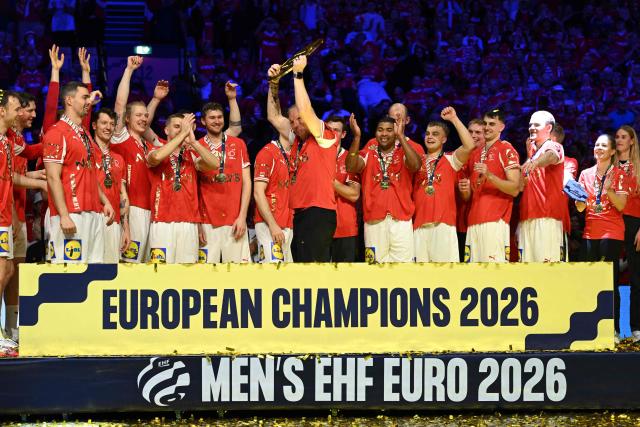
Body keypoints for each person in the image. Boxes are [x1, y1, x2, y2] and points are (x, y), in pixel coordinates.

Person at [266, 56, 340, 262]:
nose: (296, 124)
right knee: (302, 267)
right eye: (293, 121)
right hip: (301, 213)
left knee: (314, 269)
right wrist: (273, 83)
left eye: (299, 119)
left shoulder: (323, 135)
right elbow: (273, 117)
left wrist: (298, 75)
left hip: (319, 211)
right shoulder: (298, 140)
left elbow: (306, 111)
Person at [43, 81, 114, 263]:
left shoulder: (85, 133)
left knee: (95, 271)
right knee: (68, 275)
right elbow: (52, 177)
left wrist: (105, 201)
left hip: (94, 212)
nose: (88, 102)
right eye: (84, 97)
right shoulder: (56, 132)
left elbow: (88, 172)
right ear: (68, 100)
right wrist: (64, 215)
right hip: (71, 213)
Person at [0, 89, 46, 354]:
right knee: (2, 271)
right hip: (2, 214)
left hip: (8, 215)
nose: (21, 113)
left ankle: (8, 330)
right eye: (18, 108)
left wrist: (41, 181)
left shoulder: (7, 142)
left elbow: (12, 178)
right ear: (3, 110)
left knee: (7, 271)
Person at [346, 114, 421, 263]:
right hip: (374, 221)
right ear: (375, 133)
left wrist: (401, 136)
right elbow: (351, 166)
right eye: (380, 130)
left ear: (395, 132)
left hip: (401, 221)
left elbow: (415, 165)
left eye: (389, 130)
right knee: (375, 268)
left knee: (404, 268)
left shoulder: (404, 153)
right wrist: (357, 137)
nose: (384, 134)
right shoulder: (368, 153)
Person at [577, 134, 630, 343]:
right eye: (596, 144)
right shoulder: (585, 174)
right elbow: (581, 207)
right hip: (590, 231)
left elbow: (622, 205)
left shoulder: (619, 174)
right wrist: (577, 197)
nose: (598, 148)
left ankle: (614, 329)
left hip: (612, 231)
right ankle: (589, 328)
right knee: (588, 280)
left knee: (610, 280)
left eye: (603, 145)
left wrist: (608, 189)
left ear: (612, 152)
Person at [147, 113, 218, 263]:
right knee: (160, 271)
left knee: (186, 272)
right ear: (166, 130)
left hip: (189, 223)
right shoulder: (154, 149)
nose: (181, 130)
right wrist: (184, 133)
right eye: (177, 126)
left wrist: (194, 142)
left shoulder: (191, 155)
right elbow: (156, 158)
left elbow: (215, 164)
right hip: (162, 222)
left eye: (184, 127)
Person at [413, 107, 475, 262]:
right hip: (418, 227)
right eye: (427, 134)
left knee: (445, 277)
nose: (430, 137)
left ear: (444, 139)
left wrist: (454, 119)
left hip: (443, 227)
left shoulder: (450, 160)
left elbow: (469, 145)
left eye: (435, 134)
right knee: (419, 279)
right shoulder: (416, 162)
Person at [111, 56, 155, 263]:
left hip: (152, 212)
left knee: (146, 266)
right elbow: (120, 105)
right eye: (138, 115)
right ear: (127, 119)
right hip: (133, 210)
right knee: (129, 265)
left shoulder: (149, 147)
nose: (143, 119)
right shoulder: (121, 138)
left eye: (145, 116)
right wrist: (129, 70)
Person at [462, 109, 520, 262]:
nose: (487, 127)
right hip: (473, 221)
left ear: (502, 127)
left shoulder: (506, 149)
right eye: (485, 123)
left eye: (492, 124)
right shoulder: (476, 153)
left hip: (494, 221)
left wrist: (490, 176)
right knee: (473, 276)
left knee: (494, 274)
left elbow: (515, 189)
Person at [197, 102, 251, 263]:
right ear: (203, 121)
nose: (217, 121)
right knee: (205, 275)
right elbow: (193, 188)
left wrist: (242, 216)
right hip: (207, 221)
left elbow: (246, 183)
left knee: (238, 274)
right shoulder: (197, 146)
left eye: (220, 117)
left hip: (234, 220)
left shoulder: (238, 144)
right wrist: (198, 224)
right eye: (212, 118)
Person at [519, 110, 567, 262]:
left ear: (548, 128)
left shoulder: (554, 146)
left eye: (537, 124)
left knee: (548, 269)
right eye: (530, 124)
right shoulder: (532, 151)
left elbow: (550, 156)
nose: (532, 127)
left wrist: (536, 162)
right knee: (527, 269)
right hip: (527, 217)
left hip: (547, 218)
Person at [91, 108, 130, 263]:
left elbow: (123, 196)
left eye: (112, 124)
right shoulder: (87, 151)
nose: (108, 127)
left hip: (113, 221)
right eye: (104, 123)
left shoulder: (119, 158)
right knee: (90, 267)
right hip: (92, 216)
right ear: (94, 125)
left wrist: (125, 227)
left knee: (110, 269)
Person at [615, 125, 640, 342]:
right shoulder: (609, 167)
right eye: (617, 137)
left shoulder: (638, 168)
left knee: (636, 278)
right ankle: (613, 329)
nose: (619, 140)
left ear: (632, 141)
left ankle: (635, 328)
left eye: (624, 137)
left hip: (634, 225)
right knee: (611, 277)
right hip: (612, 224)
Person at [253, 132, 294, 263]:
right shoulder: (267, 153)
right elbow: (258, 193)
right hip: (270, 224)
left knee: (288, 278)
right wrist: (272, 225)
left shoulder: (296, 156)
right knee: (272, 273)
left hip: (289, 225)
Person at [326, 115, 360, 262]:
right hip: (321, 230)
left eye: (337, 130)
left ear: (344, 134)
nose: (333, 133)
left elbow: (354, 194)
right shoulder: (315, 157)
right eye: (329, 130)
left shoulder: (350, 159)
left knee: (346, 280)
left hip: (345, 228)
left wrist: (329, 180)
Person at [456, 118, 484, 261]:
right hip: (460, 222)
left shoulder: (493, 156)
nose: (473, 135)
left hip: (482, 221)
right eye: (470, 131)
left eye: (478, 132)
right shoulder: (459, 155)